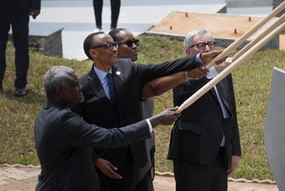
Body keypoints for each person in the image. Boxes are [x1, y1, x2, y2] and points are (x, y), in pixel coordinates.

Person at [73, 31, 221, 191]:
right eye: (108, 46)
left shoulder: (127, 68)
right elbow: (76, 130)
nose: (114, 49)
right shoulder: (82, 87)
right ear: (93, 53)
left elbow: (161, 68)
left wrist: (197, 60)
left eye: (115, 45)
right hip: (107, 166)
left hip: (138, 159)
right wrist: (95, 159)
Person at [34, 65, 181, 191]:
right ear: (61, 90)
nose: (81, 87)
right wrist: (156, 120)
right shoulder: (64, 120)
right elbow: (111, 137)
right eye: (74, 84)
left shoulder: (46, 112)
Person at [108, 28, 208, 185]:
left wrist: (193, 65)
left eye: (136, 42)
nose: (134, 46)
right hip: (120, 157)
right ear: (113, 48)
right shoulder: (115, 79)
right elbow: (152, 88)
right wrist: (186, 74)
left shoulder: (137, 71)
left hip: (143, 153)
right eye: (129, 43)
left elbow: (164, 68)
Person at [167, 29, 242, 191]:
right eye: (201, 45)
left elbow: (231, 112)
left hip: (220, 153)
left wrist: (234, 151)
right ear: (188, 52)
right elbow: (185, 89)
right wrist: (213, 71)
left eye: (210, 44)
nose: (207, 49)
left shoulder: (221, 72)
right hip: (193, 153)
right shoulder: (181, 72)